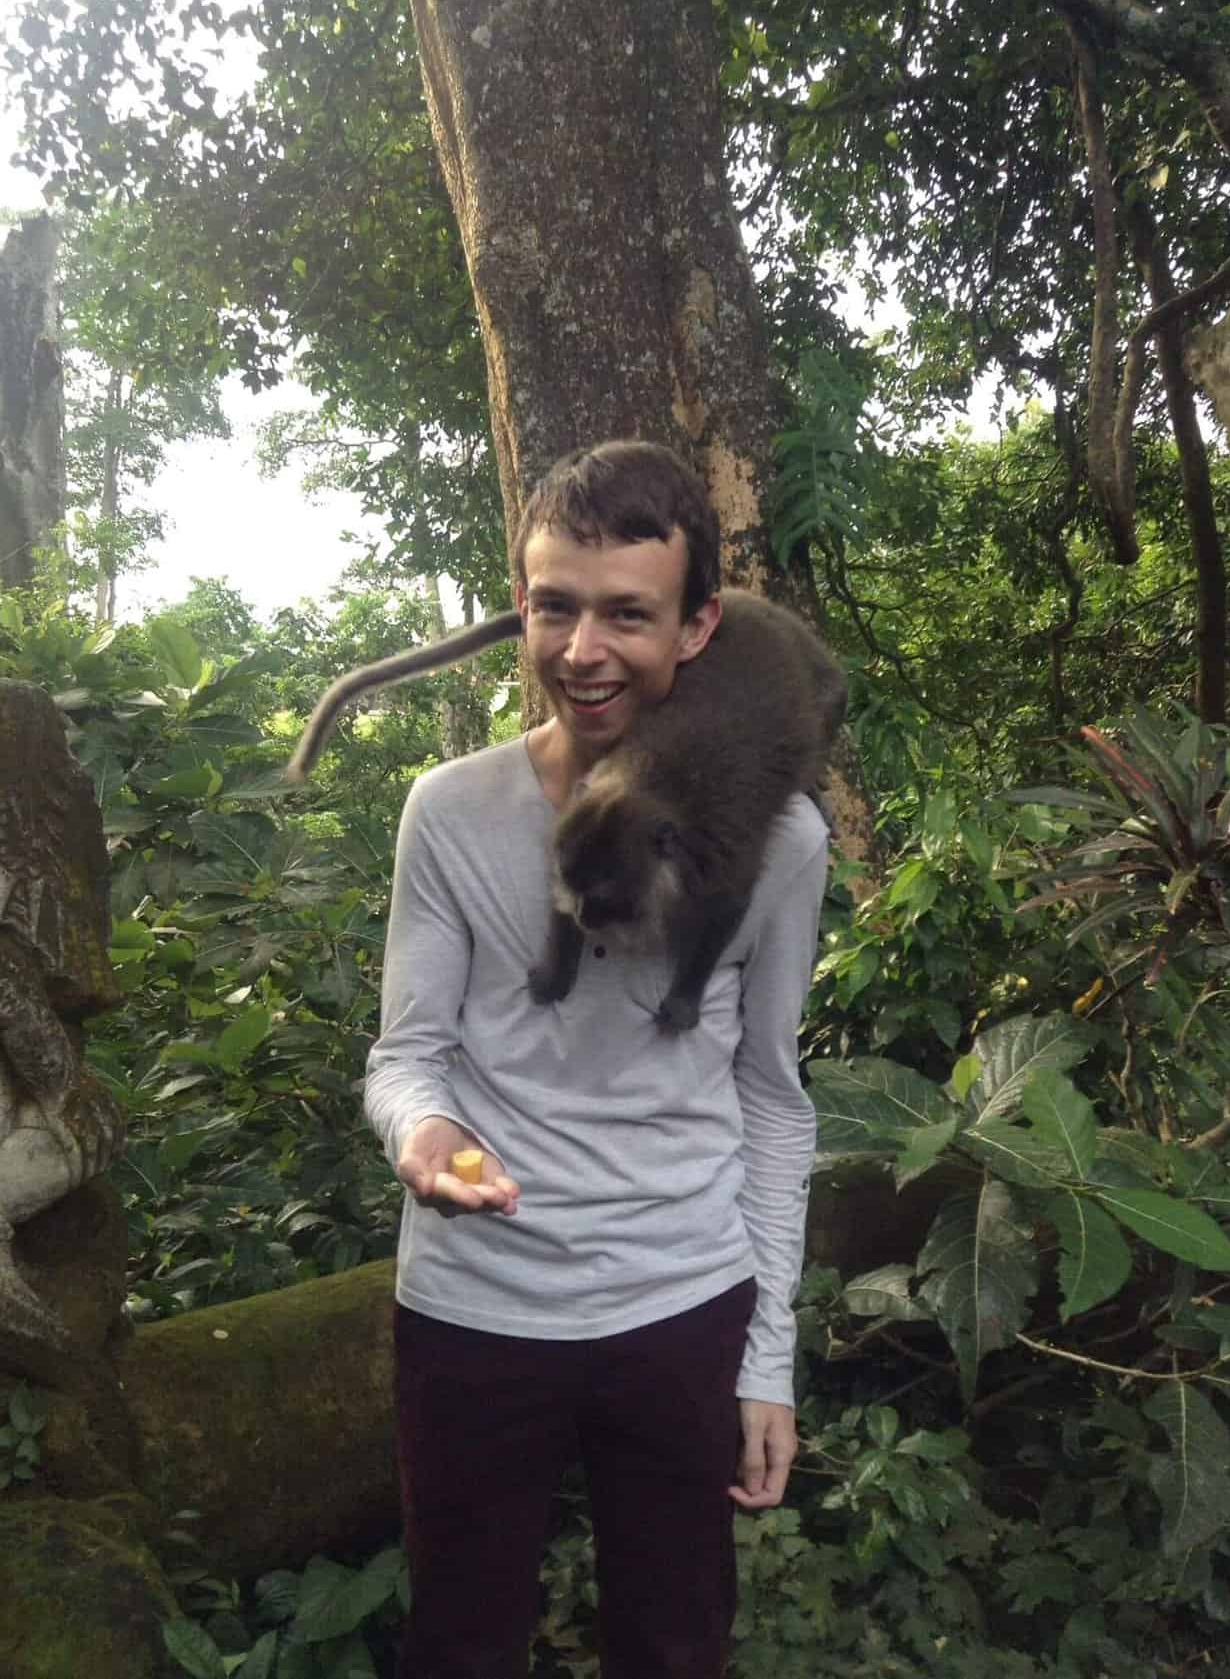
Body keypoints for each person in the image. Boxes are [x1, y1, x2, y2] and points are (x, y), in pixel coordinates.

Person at [365, 440, 830, 1679]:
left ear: (695, 628)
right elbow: (406, 1055)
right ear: (520, 605)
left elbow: (775, 1103)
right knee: (459, 1644)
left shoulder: (775, 841)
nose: (582, 651)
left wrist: (765, 1357)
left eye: (626, 614)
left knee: (676, 1648)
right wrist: (421, 1134)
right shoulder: (449, 810)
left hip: (681, 1301)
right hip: (474, 1305)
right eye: (555, 607)